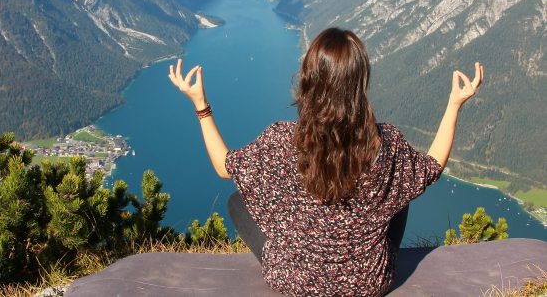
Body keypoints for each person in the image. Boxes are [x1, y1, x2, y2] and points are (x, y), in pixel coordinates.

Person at [168, 27, 483, 296]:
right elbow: (431, 167)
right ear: (360, 83)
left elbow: (224, 167)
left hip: (295, 281)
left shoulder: (280, 141)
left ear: (309, 79)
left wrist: (201, 106)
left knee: (238, 201)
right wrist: (454, 105)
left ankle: (289, 254)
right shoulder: (387, 146)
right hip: (368, 283)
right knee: (401, 189)